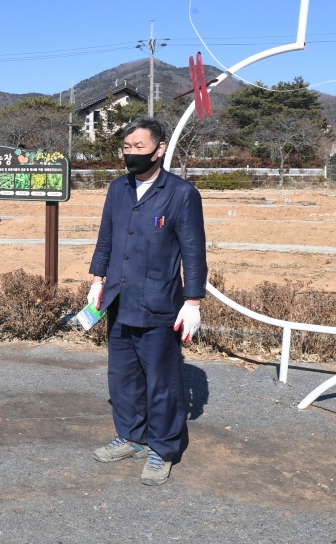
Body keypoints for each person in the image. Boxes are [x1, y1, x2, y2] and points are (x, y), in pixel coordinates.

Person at [87, 118, 207, 486]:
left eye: (139, 147)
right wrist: (97, 280)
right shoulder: (118, 189)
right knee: (122, 377)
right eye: (127, 147)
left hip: (159, 302)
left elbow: (193, 250)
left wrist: (193, 301)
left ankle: (163, 448)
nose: (131, 154)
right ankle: (131, 435)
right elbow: (106, 236)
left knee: (162, 381)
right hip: (119, 299)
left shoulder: (180, 193)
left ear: (159, 149)